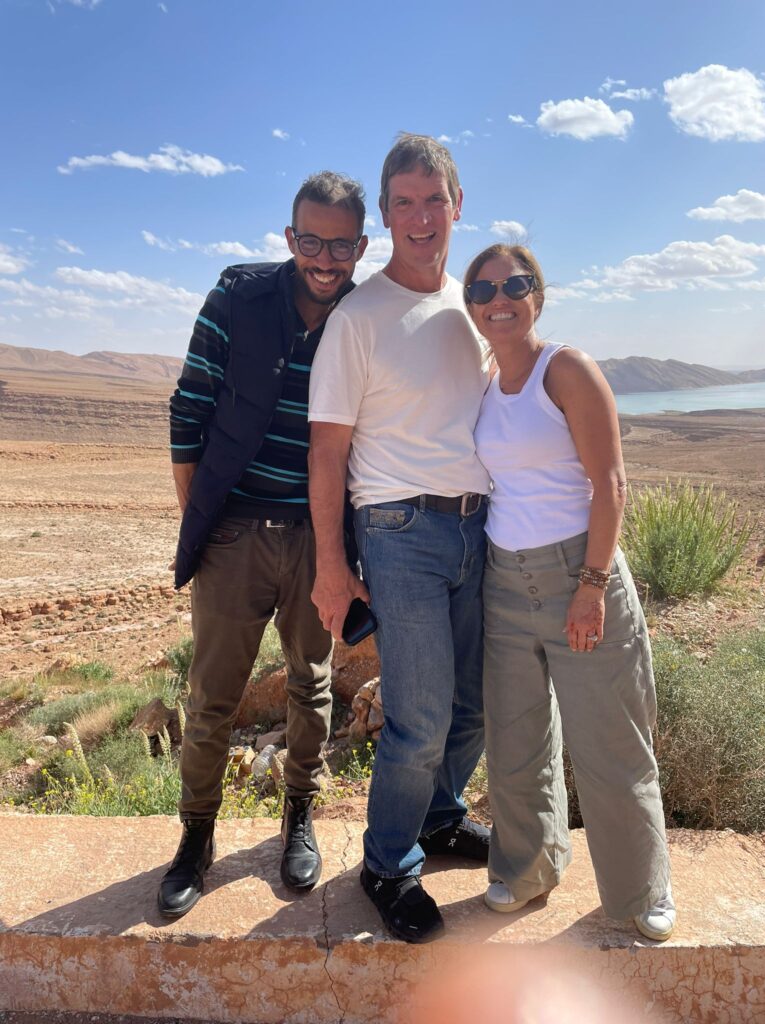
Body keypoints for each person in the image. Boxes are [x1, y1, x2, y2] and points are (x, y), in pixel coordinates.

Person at [158, 172, 368, 917]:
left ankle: (299, 815)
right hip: (236, 531)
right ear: (289, 239)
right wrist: (204, 523)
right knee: (212, 695)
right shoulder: (236, 298)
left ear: (360, 247)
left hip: (321, 538)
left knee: (311, 684)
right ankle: (196, 836)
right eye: (310, 240)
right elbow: (189, 409)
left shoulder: (365, 316)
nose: (324, 257)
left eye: (340, 244)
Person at [308, 134, 491, 944]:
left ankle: (442, 818)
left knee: (473, 705)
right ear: (385, 216)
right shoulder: (359, 318)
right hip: (398, 531)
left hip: (479, 527)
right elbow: (328, 450)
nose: (421, 217)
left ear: (458, 203)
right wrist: (331, 565)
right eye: (404, 202)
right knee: (418, 715)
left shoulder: (473, 305)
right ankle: (387, 863)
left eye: (433, 199)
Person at [465, 242, 676, 941]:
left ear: (538, 295)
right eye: (484, 286)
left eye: (515, 283)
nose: (500, 295)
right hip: (505, 579)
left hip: (578, 576)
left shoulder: (568, 368)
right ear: (471, 304)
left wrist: (590, 585)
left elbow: (611, 484)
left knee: (610, 742)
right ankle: (526, 870)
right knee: (518, 740)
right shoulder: (488, 383)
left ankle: (640, 891)